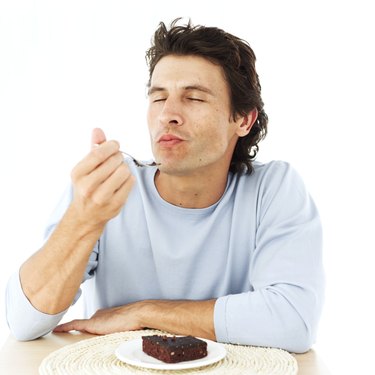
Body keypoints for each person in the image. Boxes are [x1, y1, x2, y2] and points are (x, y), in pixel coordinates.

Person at [5, 18, 324, 353]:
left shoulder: (273, 189)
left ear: (243, 119)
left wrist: (143, 312)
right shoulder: (109, 186)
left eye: (194, 98)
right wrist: (83, 220)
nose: (167, 114)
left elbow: (293, 321)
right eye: (158, 98)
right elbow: (23, 321)